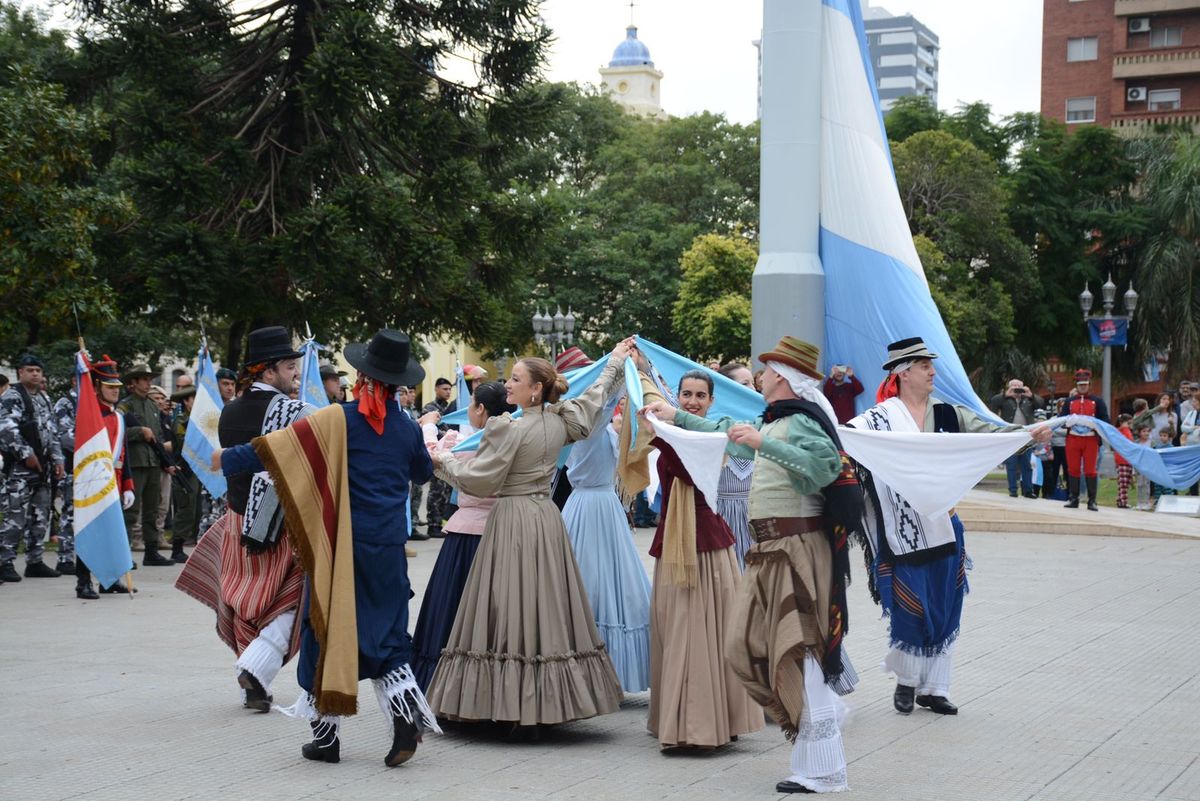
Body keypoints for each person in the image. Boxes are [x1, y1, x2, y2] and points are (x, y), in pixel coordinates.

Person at [646, 336, 858, 793]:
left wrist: (764, 443)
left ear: (782, 376)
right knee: (756, 645)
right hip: (773, 549)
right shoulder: (777, 420)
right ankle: (818, 742)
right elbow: (729, 434)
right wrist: (676, 417)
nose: (760, 376)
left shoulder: (801, 421)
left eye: (768, 369)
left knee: (799, 651)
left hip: (797, 548)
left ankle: (822, 767)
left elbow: (825, 467)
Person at [219, 329, 441, 765]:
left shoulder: (339, 419)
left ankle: (326, 740)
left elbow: (279, 450)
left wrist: (226, 459)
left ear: (363, 376)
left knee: (322, 632)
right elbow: (421, 474)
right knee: (388, 635)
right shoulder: (405, 427)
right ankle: (404, 719)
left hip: (339, 548)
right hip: (388, 548)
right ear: (398, 383)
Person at [426, 343, 632, 737]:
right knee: (543, 605)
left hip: (513, 518)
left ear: (536, 389)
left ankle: (511, 707)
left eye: (516, 379)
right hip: (544, 518)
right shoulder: (559, 421)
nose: (508, 384)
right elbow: (595, 398)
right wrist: (615, 364)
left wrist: (442, 459)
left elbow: (478, 479)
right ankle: (544, 705)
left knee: (509, 603)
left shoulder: (509, 429)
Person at [849, 337, 1050, 718]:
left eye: (931, 365)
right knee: (910, 604)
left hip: (943, 523)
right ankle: (907, 680)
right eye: (925, 366)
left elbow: (991, 434)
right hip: (901, 530)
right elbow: (849, 442)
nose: (933, 372)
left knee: (945, 602)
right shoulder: (877, 420)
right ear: (903, 372)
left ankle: (935, 688)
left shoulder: (949, 414)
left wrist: (1026, 436)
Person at [627, 367, 763, 751]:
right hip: (675, 539)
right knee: (679, 631)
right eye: (686, 394)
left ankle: (705, 726)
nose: (692, 401)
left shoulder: (713, 434)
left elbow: (688, 470)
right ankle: (689, 721)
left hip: (706, 542)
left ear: (711, 401)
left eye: (700, 395)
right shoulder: (671, 430)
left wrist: (661, 431)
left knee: (703, 634)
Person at [177, 326, 307, 714]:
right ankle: (256, 668)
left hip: (237, 520)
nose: (296, 374)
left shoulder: (229, 411)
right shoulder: (294, 412)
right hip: (280, 524)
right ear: (268, 370)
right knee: (297, 597)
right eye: (289, 367)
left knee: (247, 603)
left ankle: (253, 683)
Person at [410, 381, 514, 690]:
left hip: (468, 537)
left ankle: (448, 685)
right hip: (504, 533)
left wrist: (429, 427)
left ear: (481, 409)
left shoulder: (473, 445)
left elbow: (432, 458)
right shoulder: (513, 438)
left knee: (453, 609)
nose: (468, 410)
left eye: (471, 404)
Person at [559, 352, 652, 695]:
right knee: (592, 582)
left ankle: (606, 669)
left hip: (603, 506)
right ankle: (588, 669)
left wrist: (630, 368)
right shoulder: (583, 423)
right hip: (587, 506)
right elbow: (602, 405)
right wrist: (618, 370)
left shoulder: (596, 423)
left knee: (615, 583)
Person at [76, 356, 138, 599]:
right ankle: (83, 582)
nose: (115, 391)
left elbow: (124, 455)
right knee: (89, 530)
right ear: (97, 387)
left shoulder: (118, 417)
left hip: (114, 482)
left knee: (112, 532)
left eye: (117, 387)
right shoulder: (89, 418)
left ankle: (109, 580)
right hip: (92, 482)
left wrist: (128, 486)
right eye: (109, 387)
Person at [0, 354, 66, 582]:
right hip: (19, 469)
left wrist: (58, 460)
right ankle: (4, 562)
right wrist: (26, 454)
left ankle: (35, 561)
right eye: (30, 370)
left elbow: (52, 432)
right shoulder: (13, 396)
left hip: (43, 468)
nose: (35, 374)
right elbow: (6, 427)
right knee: (15, 517)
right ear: (20, 372)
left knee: (40, 516)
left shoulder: (44, 398)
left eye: (38, 370)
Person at [118, 364, 177, 565]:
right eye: (144, 379)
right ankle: (123, 553)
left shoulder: (152, 406)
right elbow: (117, 432)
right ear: (133, 382)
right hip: (135, 463)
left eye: (149, 379)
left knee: (152, 510)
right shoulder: (125, 406)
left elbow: (157, 437)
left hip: (153, 463)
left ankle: (151, 552)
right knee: (131, 510)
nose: (148, 383)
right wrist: (139, 432)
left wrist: (166, 462)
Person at [716, 362, 756, 569]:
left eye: (753, 383)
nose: (752, 389)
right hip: (722, 515)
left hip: (756, 514)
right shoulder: (715, 422)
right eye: (745, 383)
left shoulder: (762, 420)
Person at [1062, 369, 1109, 511]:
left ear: (1089, 385)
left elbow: (1105, 420)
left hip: (1091, 439)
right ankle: (1074, 498)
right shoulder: (1069, 401)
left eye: (1085, 384)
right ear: (1076, 385)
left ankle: (1092, 501)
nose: (1083, 387)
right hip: (1073, 438)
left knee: (1090, 470)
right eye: (1080, 384)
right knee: (1073, 469)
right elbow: (1061, 420)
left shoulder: (1098, 401)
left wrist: (1094, 424)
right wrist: (1068, 422)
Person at [990, 378, 1044, 498]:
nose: (1017, 389)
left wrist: (1031, 395)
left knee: (1026, 465)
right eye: (1014, 386)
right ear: (1009, 387)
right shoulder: (1004, 399)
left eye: (1019, 386)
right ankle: (1013, 490)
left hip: (1026, 435)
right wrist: (1006, 395)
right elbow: (993, 403)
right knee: (1012, 464)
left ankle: (1028, 490)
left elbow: (1041, 404)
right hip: (1011, 435)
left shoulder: (1028, 399)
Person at [421, 377, 457, 538]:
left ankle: (441, 521)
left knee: (446, 490)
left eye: (449, 389)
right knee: (436, 490)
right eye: (444, 389)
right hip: (435, 452)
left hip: (448, 453)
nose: (448, 392)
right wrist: (449, 436)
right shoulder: (430, 408)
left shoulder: (450, 408)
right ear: (436, 389)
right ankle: (433, 524)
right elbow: (431, 429)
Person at [169, 385, 200, 562]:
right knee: (185, 508)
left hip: (196, 468)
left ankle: (184, 543)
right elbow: (183, 443)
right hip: (183, 468)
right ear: (186, 402)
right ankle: (177, 548)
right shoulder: (182, 420)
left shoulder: (198, 419)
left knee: (194, 509)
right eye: (193, 399)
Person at [52, 374, 79, 575]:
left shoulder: (93, 403)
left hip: (92, 467)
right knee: (70, 514)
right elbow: (65, 436)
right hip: (72, 466)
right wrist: (91, 444)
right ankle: (65, 558)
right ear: (74, 380)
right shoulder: (65, 403)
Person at [1114, 414, 1134, 509]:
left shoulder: (1124, 431)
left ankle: (1120, 500)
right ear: (1122, 422)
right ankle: (1123, 502)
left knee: (1124, 482)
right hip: (1123, 460)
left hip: (1125, 459)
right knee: (1124, 483)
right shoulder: (1123, 431)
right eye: (1128, 422)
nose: (1130, 424)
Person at [1133, 425, 1154, 510]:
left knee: (1146, 485)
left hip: (1148, 467)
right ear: (1139, 433)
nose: (1146, 433)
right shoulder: (1136, 443)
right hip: (1138, 467)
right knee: (1139, 485)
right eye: (1144, 431)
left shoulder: (1151, 442)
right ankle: (1139, 503)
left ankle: (1146, 502)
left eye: (1148, 431)